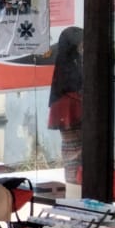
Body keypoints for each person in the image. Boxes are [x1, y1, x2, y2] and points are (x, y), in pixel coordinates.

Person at [48, 26, 83, 186]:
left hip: (68, 108)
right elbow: (72, 88)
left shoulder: (70, 61)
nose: (83, 46)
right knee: (75, 149)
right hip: (70, 108)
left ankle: (74, 184)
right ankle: (75, 184)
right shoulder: (70, 64)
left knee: (74, 149)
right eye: (81, 42)